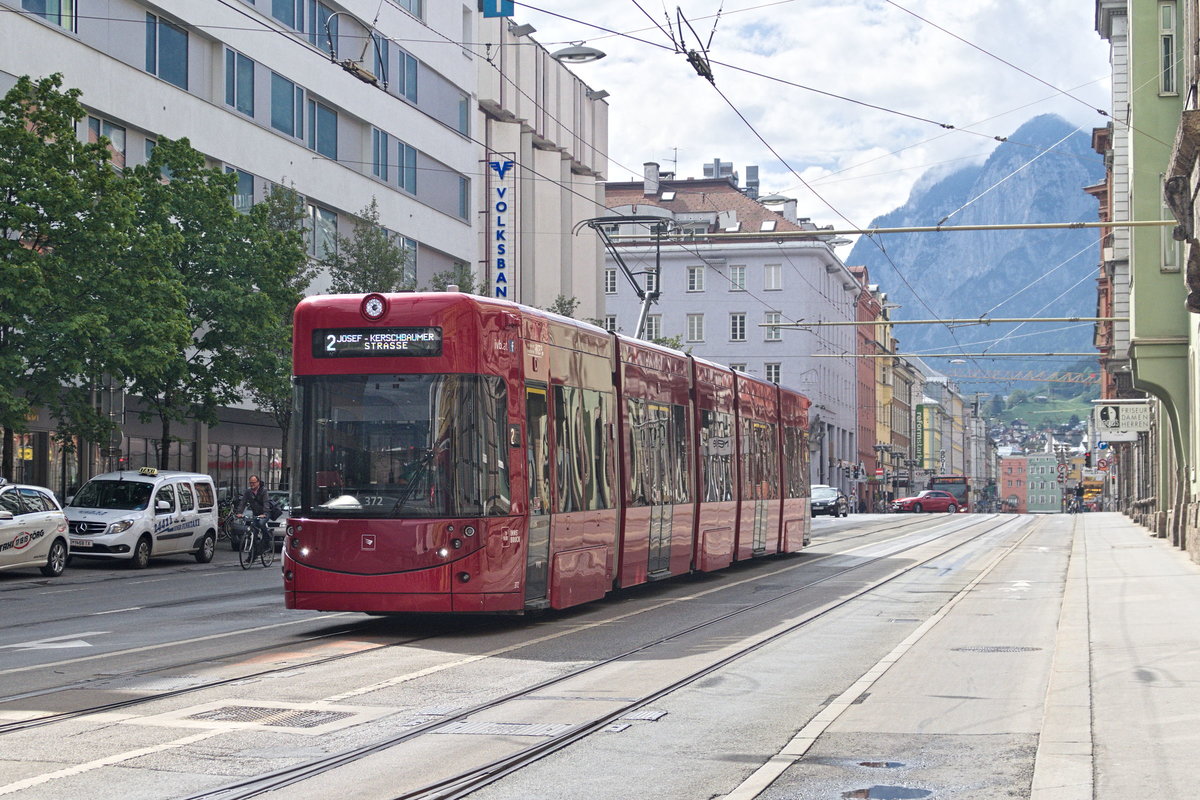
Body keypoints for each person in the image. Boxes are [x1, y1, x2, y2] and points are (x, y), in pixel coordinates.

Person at [236, 475, 271, 555]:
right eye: (250, 483)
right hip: (255, 514)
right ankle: (252, 557)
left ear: (258, 482)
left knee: (261, 523)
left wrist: (265, 513)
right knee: (253, 534)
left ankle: (267, 541)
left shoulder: (263, 491)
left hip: (265, 513)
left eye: (254, 483)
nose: (252, 484)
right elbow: (243, 502)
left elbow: (266, 502)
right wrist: (239, 512)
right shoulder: (248, 492)